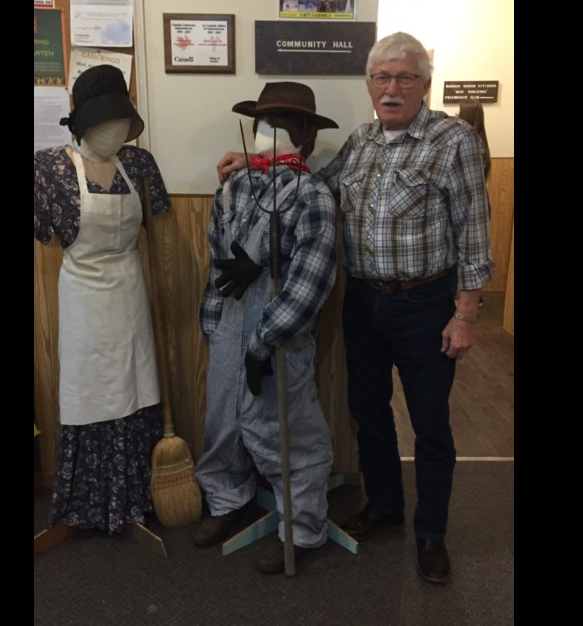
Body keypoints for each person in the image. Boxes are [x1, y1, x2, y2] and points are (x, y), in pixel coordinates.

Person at [216, 32, 494, 584]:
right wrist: (261, 164)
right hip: (364, 300)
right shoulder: (362, 141)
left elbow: (475, 233)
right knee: (369, 413)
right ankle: (386, 506)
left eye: (404, 77)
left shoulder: (454, 140)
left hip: (425, 303)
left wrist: (464, 314)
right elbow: (315, 185)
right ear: (369, 85)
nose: (392, 89)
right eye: (382, 78)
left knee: (431, 423)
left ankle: (431, 531)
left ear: (424, 84)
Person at [195, 82, 339, 574]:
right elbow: (218, 253)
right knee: (224, 419)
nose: (266, 133)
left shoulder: (313, 195)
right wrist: (214, 324)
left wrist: (263, 343)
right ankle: (226, 498)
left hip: (278, 331)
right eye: (261, 123)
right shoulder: (236, 185)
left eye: (279, 126)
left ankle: (301, 528)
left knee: (287, 431)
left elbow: (309, 281)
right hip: (230, 324)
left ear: (303, 136)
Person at [34, 64, 171, 535]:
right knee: (89, 393)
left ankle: (133, 497)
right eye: (104, 120)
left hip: (129, 293)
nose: (114, 129)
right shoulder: (49, 168)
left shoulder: (138, 164)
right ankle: (87, 505)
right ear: (82, 121)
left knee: (135, 389)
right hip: (83, 299)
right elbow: (46, 236)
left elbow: (158, 225)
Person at [457, 99, 491, 307]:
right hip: (480, 203)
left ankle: (468, 298)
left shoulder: (469, 142)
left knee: (467, 248)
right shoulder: (482, 142)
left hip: (469, 204)